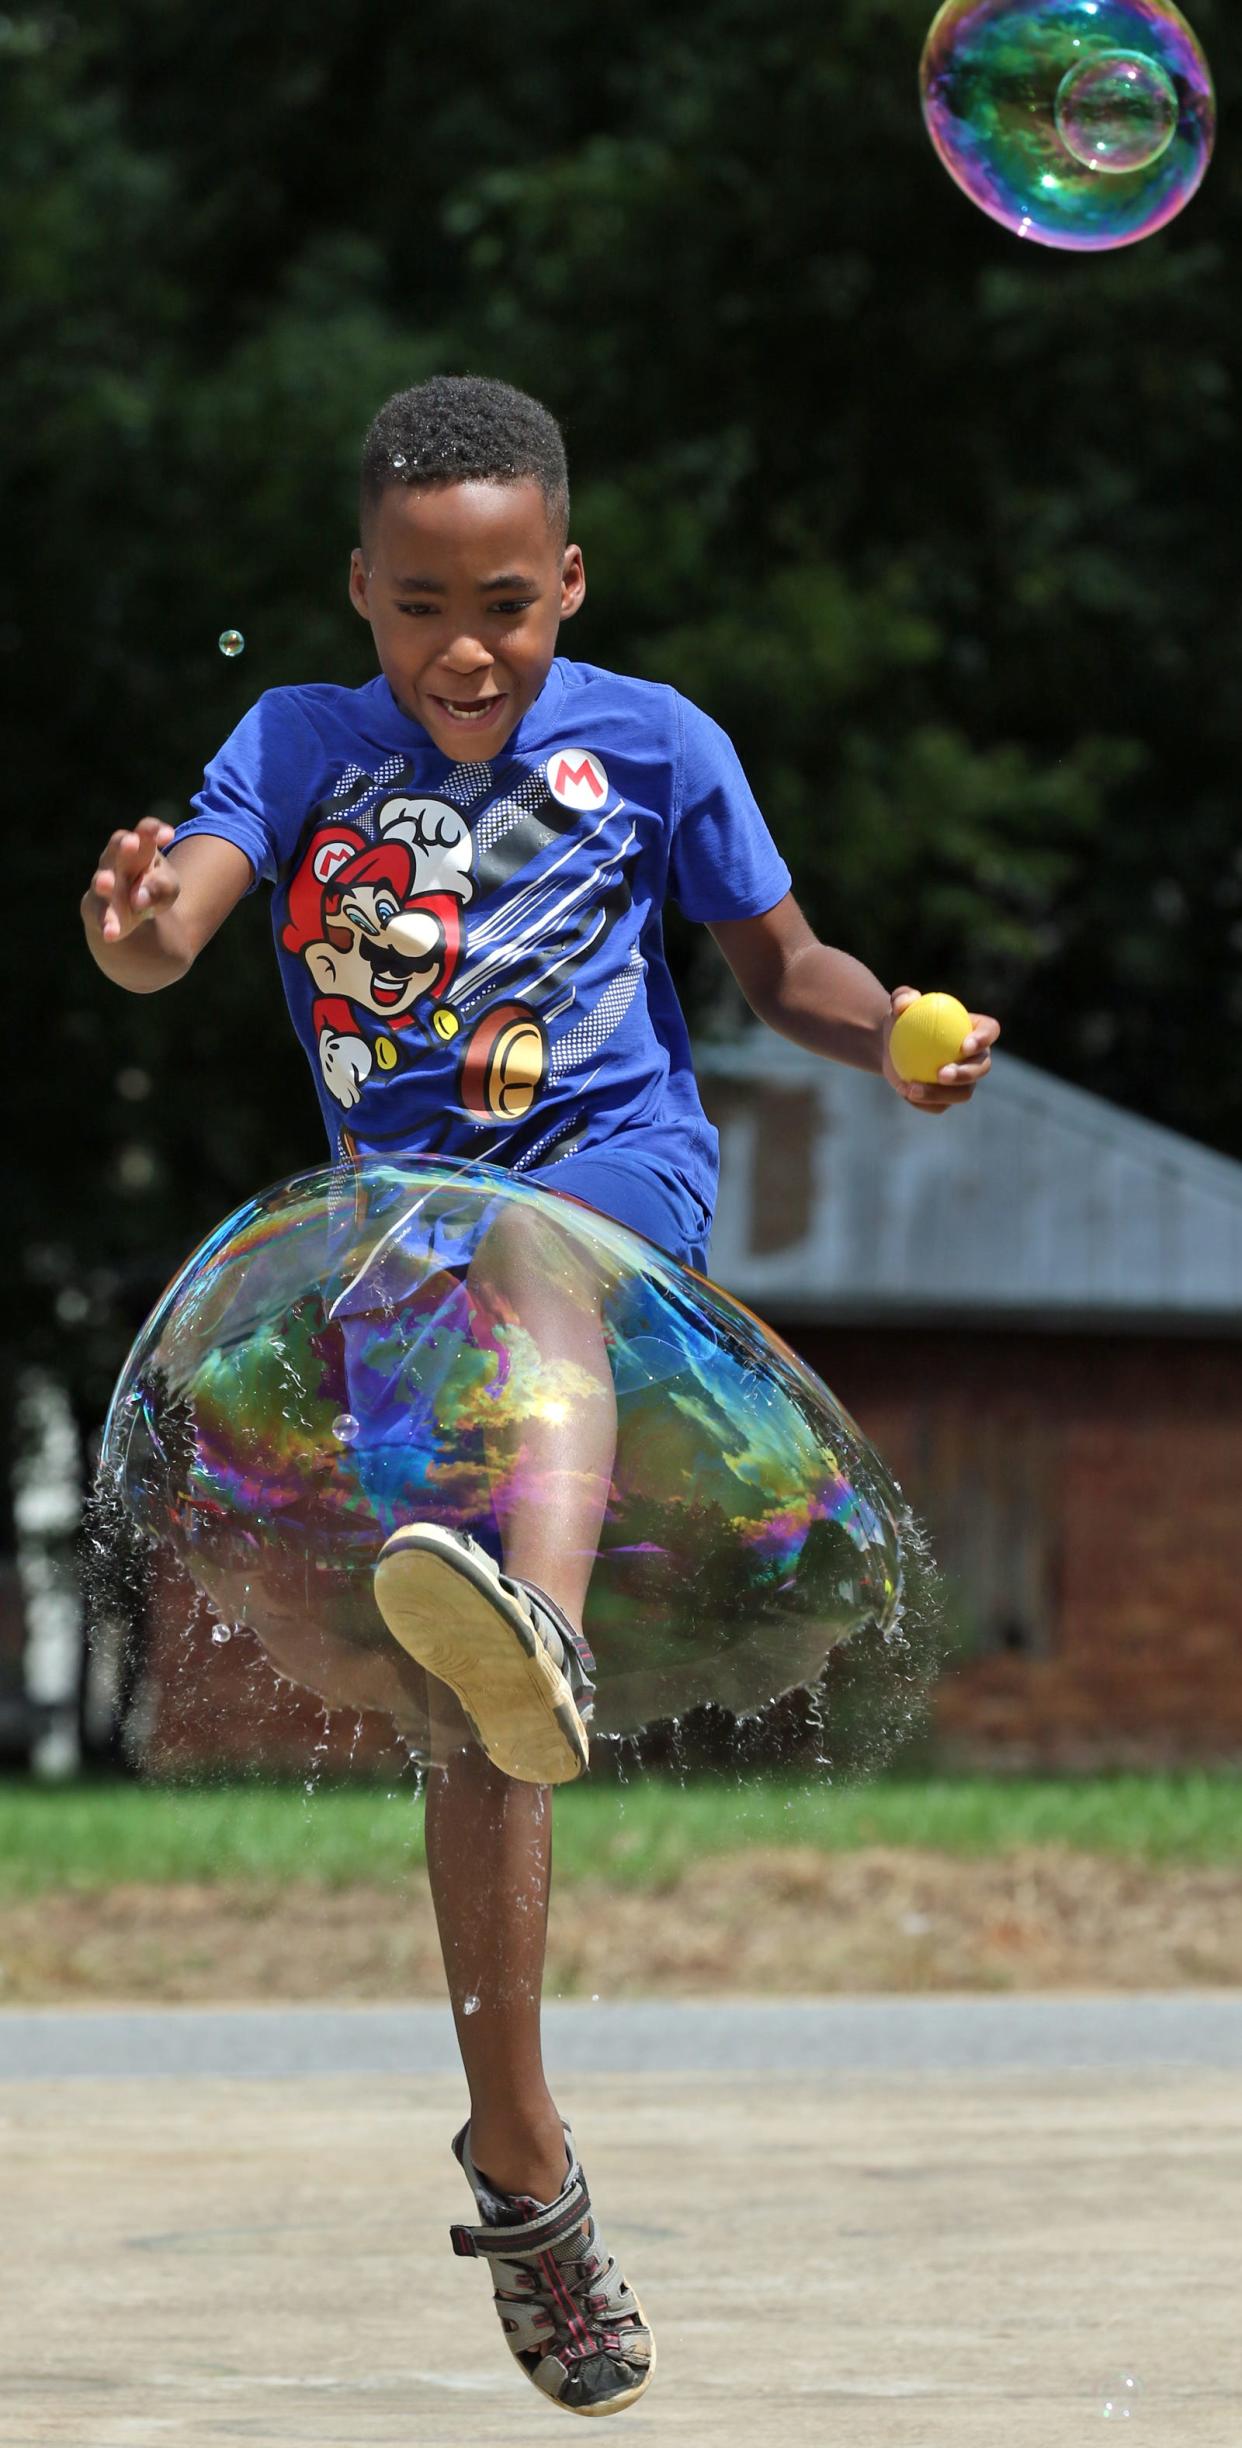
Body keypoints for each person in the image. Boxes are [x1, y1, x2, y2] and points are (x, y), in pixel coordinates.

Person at [81, 374, 999, 2419]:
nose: (464, 647)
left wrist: (901, 1039)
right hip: (387, 1251)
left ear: (569, 580)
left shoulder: (659, 742)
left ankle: (550, 1632)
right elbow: (168, 945)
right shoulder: (296, 746)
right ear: (359, 595)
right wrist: (136, 929)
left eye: (505, 600)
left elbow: (788, 971)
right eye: (419, 606)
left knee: (536, 1258)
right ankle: (526, 2164)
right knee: (466, 1737)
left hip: (611, 1194)